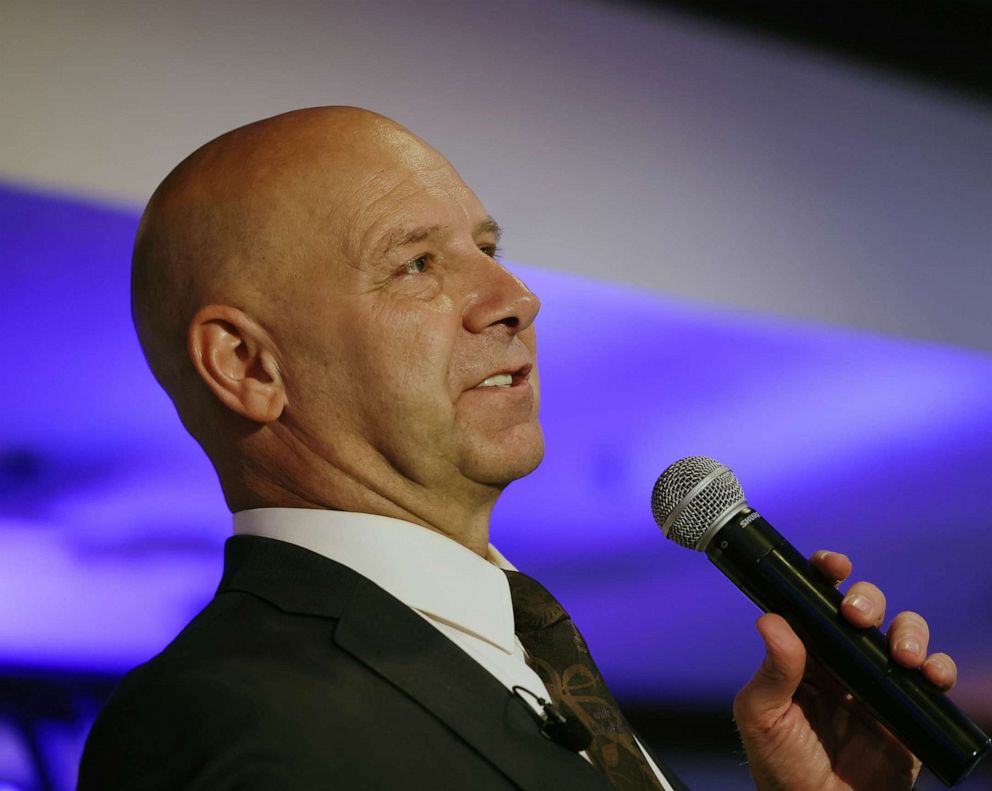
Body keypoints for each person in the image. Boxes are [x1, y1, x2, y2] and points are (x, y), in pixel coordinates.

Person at [77, 106, 958, 790]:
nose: (515, 295)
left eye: (489, 247)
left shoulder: (520, 654)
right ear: (248, 364)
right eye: (416, 263)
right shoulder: (219, 715)